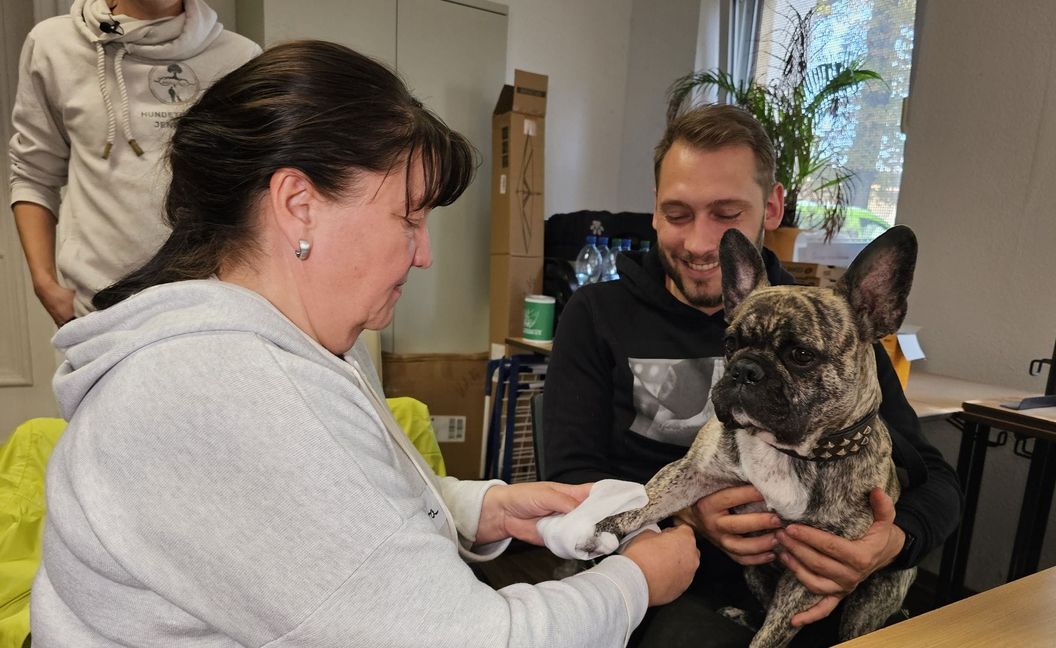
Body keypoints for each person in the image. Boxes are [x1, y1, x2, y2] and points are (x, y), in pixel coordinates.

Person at [32, 41, 699, 647]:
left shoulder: (302, 343)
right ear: (299, 204)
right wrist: (635, 582)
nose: (425, 253)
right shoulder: (222, 389)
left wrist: (480, 508)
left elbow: (344, 509)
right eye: (409, 218)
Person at [542, 104, 962, 647]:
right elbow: (572, 481)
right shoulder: (597, 315)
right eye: (677, 213)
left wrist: (891, 544)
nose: (699, 244)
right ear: (652, 210)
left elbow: (937, 479)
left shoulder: (835, 326)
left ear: (772, 206)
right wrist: (692, 516)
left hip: (817, 587)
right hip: (666, 575)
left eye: (725, 214)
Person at [9, 0, 261, 325]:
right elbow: (32, 172)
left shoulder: (240, 57)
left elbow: (254, 189)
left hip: (210, 308)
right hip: (96, 310)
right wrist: (45, 283)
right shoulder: (53, 45)